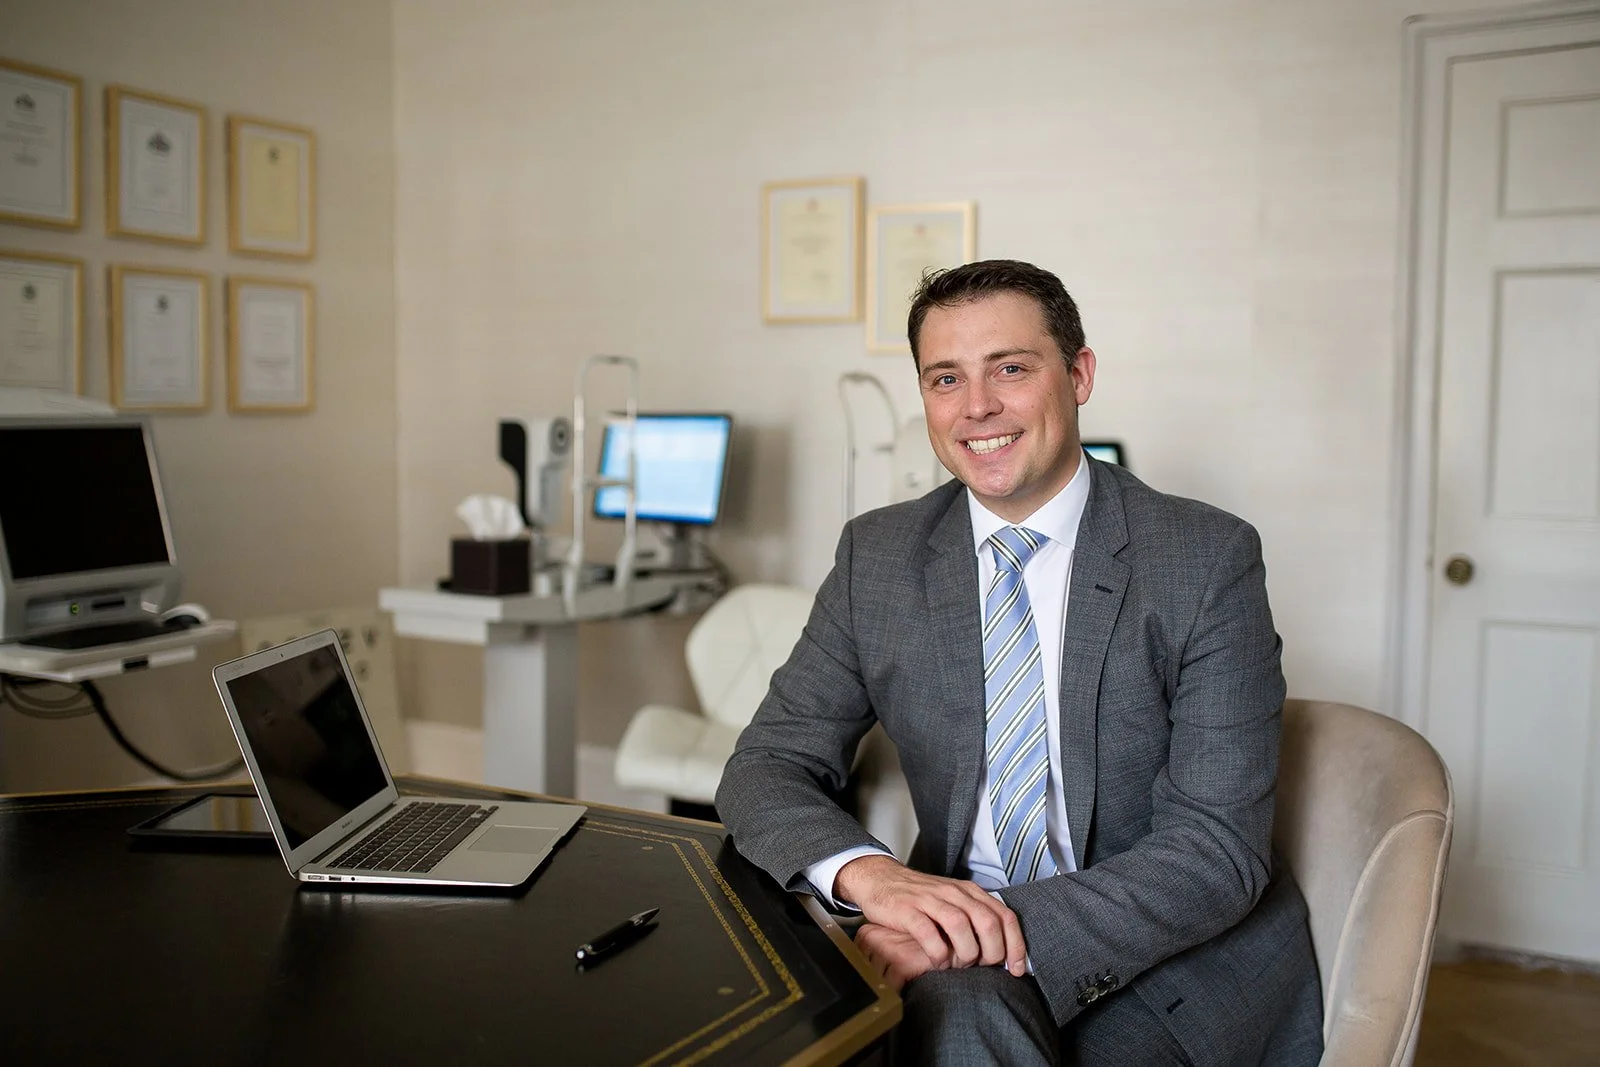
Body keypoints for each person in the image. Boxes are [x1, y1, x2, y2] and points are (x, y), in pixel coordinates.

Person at [715, 260, 1322, 1065]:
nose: (977, 407)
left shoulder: (1205, 557)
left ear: (1078, 375)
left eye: (1009, 367)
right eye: (945, 377)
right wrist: (875, 878)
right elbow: (767, 763)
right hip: (944, 935)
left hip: (1170, 961)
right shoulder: (880, 556)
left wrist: (976, 931)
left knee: (952, 1019)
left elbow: (1215, 847)